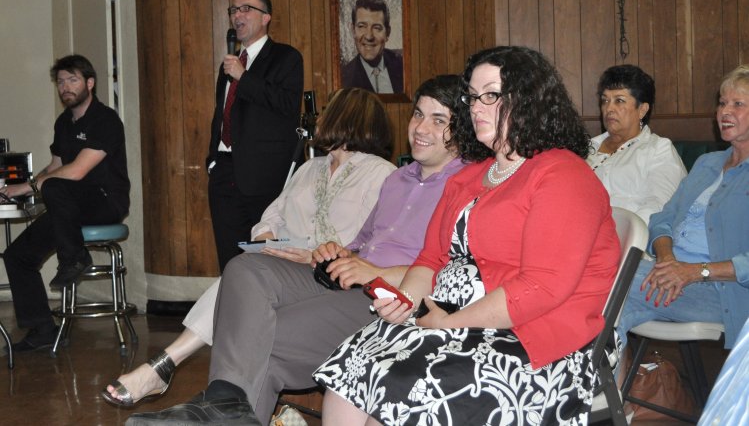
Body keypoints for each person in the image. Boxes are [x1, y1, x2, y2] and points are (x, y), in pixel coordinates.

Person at [123, 75, 483, 425]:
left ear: (462, 129)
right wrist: (336, 252)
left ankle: (220, 409)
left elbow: (456, 270)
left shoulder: (467, 185)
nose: (421, 127)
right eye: (418, 114)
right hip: (344, 278)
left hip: (390, 298)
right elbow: (361, 242)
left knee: (262, 336)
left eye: (439, 120)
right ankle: (224, 404)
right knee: (245, 268)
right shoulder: (397, 179)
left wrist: (374, 272)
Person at [314, 46, 620, 425]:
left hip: (537, 340)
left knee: (403, 388)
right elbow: (431, 260)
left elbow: (542, 287)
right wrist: (406, 300)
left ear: (529, 99)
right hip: (456, 321)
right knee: (353, 367)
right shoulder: (469, 177)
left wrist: (452, 322)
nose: (476, 107)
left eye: (491, 95)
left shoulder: (563, 175)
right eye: (472, 97)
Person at [103, 87, 394, 407]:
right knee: (243, 271)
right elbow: (271, 216)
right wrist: (268, 240)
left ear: (346, 116)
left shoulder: (381, 174)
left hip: (327, 277)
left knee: (238, 279)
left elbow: (374, 246)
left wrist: (314, 255)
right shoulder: (310, 168)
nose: (320, 117)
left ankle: (167, 365)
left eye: (328, 111)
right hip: (282, 265)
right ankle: (187, 380)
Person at [1, 54, 130, 352]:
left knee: (56, 185)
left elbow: (76, 171)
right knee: (17, 255)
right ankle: (42, 330)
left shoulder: (105, 120)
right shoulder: (63, 123)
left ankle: (74, 258)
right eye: (60, 82)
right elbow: (55, 166)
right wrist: (19, 190)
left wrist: (30, 186)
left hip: (105, 201)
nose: (65, 87)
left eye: (72, 80)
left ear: (90, 83)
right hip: (69, 207)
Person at [617, 64, 749, 353]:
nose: (725, 112)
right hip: (667, 274)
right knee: (608, 317)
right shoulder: (707, 164)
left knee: (606, 277)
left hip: (722, 292)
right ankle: (616, 384)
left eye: (738, 104)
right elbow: (663, 218)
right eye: (722, 103)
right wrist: (667, 260)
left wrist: (694, 272)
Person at [207, 0, 304, 271]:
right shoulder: (230, 64)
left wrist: (243, 77)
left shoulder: (286, 58)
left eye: (246, 9)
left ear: (266, 17)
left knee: (266, 259)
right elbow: (221, 114)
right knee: (230, 258)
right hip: (225, 171)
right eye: (234, 10)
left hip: (264, 176)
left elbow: (287, 105)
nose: (237, 15)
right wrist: (212, 161)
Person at [587, 64, 686, 224]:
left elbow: (658, 206)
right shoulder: (585, 148)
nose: (609, 108)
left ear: (642, 110)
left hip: (630, 234)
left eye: (619, 100)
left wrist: (622, 234)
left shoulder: (659, 149)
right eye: (605, 100)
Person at [341, 0, 404, 94]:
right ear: (353, 31)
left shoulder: (403, 65)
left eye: (377, 28)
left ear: (387, 33)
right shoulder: (343, 78)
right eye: (362, 26)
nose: (369, 36)